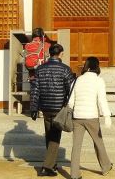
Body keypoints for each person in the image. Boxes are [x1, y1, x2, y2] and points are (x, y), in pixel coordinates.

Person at [30, 43, 75, 177]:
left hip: (45, 107)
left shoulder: (40, 69)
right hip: (58, 107)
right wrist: (70, 104)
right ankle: (47, 167)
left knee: (49, 135)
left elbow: (35, 89)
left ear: (50, 53)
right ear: (61, 53)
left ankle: (52, 162)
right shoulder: (65, 69)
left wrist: (33, 107)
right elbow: (71, 89)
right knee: (55, 137)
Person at [67, 56, 113, 178]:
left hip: (77, 117)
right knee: (98, 142)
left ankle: (74, 174)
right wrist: (107, 116)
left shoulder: (77, 80)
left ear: (86, 66)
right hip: (91, 116)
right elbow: (102, 100)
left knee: (76, 146)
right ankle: (106, 166)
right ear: (97, 66)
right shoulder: (98, 80)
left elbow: (70, 102)